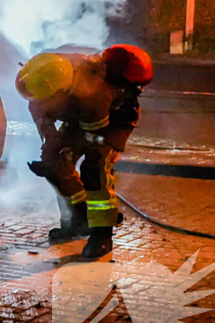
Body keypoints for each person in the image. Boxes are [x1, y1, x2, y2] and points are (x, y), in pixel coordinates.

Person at [15, 45, 153, 258]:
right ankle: (78, 219)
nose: (40, 103)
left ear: (61, 92)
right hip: (77, 117)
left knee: (94, 169)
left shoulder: (94, 95)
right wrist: (50, 154)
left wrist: (55, 147)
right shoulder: (41, 74)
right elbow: (43, 118)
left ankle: (102, 235)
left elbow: (92, 140)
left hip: (112, 121)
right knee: (56, 164)